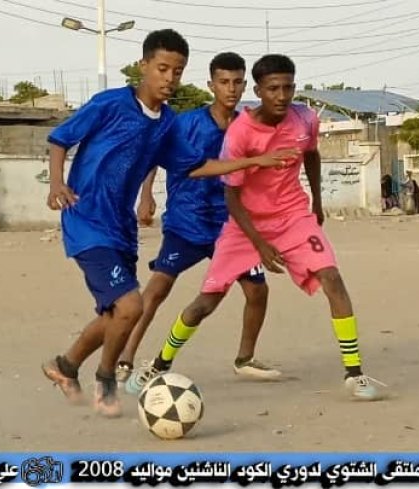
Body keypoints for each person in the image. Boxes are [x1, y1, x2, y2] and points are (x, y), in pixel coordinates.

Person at [40, 30, 295, 418]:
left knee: (115, 312)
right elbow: (60, 138)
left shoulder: (168, 123)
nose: (169, 78)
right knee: (130, 305)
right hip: (87, 219)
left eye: (177, 71)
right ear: (144, 66)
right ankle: (107, 377)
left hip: (121, 227)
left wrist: (252, 162)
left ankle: (66, 365)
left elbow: (195, 167)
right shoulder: (110, 104)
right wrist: (58, 182)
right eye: (162, 68)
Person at [127, 54, 386, 401]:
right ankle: (158, 364)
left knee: (332, 278)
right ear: (260, 91)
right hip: (240, 224)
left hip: (293, 217)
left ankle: (355, 374)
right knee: (205, 302)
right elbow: (232, 194)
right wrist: (259, 244)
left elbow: (310, 153)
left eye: (288, 87)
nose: (282, 95)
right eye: (274, 89)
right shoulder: (239, 132)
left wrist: (317, 202)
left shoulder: (305, 119)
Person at [117, 52, 278, 388]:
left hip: (230, 224)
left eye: (236, 82)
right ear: (211, 85)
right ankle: (125, 358)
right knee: (158, 288)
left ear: (245, 85)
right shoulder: (185, 122)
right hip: (186, 221)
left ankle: (245, 359)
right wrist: (145, 196)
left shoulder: (247, 125)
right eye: (223, 82)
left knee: (257, 291)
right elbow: (154, 156)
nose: (230, 89)